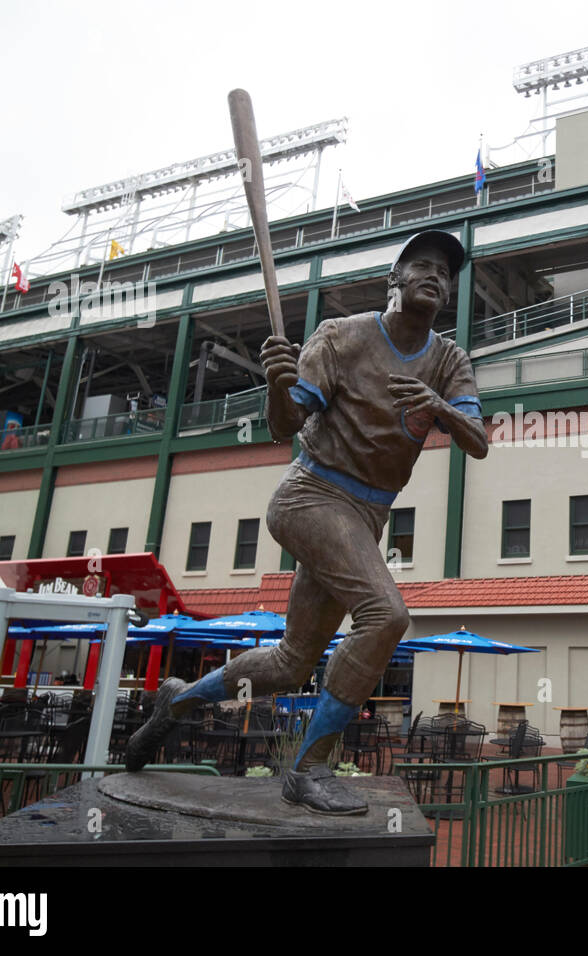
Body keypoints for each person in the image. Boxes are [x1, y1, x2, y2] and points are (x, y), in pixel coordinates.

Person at [127, 231, 488, 814]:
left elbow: (479, 443)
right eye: (421, 266)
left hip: (366, 514)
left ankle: (178, 701)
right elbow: (285, 423)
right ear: (392, 280)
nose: (436, 277)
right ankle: (308, 768)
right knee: (386, 615)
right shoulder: (341, 336)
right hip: (311, 494)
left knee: (292, 661)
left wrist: (438, 405)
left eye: (445, 274)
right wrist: (276, 383)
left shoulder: (449, 360)